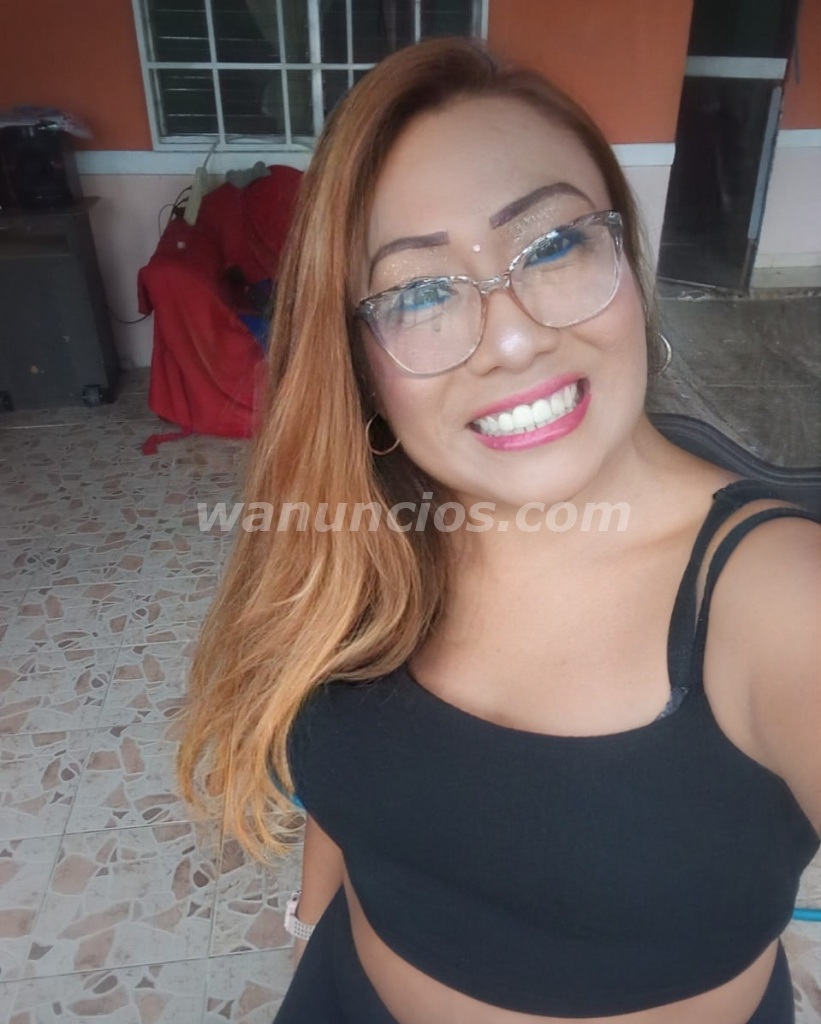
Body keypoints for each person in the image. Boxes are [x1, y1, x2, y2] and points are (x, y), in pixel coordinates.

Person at [178, 37, 821, 1024]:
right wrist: (309, 919)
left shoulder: (780, 598)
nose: (513, 337)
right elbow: (350, 781)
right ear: (358, 360)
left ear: (624, 258)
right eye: (418, 292)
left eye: (553, 246)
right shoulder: (362, 528)